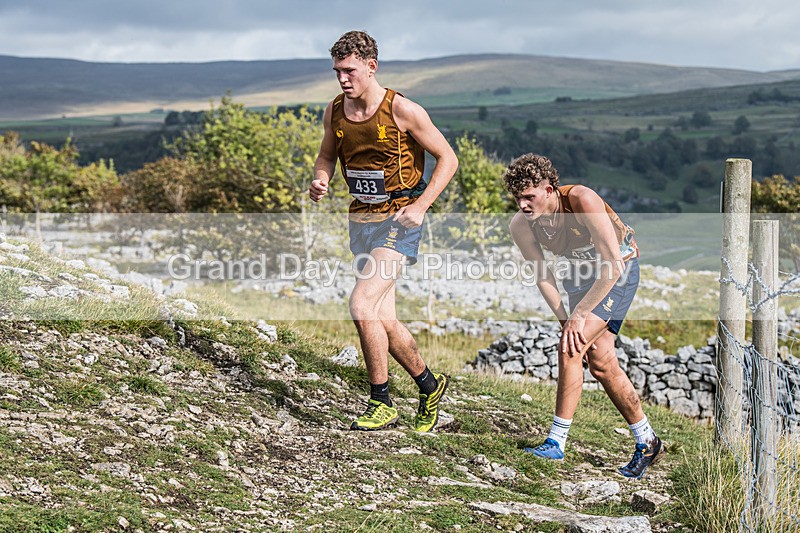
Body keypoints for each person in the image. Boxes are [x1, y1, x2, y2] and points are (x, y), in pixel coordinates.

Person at [310, 30, 458, 432]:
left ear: (371, 67)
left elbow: (448, 158)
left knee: (361, 305)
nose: (343, 79)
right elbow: (326, 155)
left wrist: (422, 205)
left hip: (398, 219)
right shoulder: (335, 110)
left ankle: (382, 402)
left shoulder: (403, 110)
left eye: (350, 71)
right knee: (383, 319)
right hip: (361, 219)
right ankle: (429, 385)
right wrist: (320, 179)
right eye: (338, 71)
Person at [504, 153, 665, 479]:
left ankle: (555, 442)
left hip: (617, 270)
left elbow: (613, 264)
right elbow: (543, 276)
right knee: (602, 363)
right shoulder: (521, 225)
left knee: (570, 347)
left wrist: (578, 317)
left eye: (529, 196)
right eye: (517, 197)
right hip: (580, 275)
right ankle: (647, 440)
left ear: (550, 190)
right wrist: (565, 317)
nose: (522, 204)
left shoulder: (581, 200)